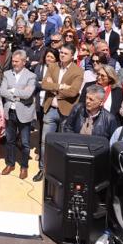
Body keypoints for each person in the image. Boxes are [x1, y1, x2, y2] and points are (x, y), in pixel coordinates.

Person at [37, 45, 84, 180]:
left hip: (66, 111)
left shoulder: (78, 71)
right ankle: (43, 169)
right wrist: (61, 86)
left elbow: (73, 92)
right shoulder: (53, 66)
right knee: (45, 142)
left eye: (65, 53)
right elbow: (44, 85)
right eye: (61, 52)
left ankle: (59, 171)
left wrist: (54, 88)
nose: (62, 55)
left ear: (72, 56)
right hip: (50, 109)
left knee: (63, 143)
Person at [0, 50, 36, 180]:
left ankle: (24, 166)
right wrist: (18, 94)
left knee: (25, 143)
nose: (14, 63)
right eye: (13, 61)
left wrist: (13, 91)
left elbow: (28, 94)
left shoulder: (31, 76)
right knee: (10, 140)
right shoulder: (7, 74)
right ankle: (10, 164)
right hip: (10, 111)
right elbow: (2, 91)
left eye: (16, 61)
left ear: (24, 62)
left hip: (24, 113)